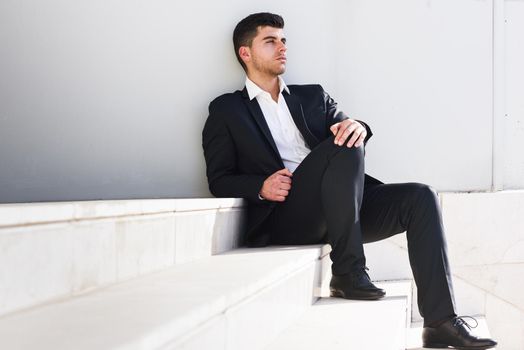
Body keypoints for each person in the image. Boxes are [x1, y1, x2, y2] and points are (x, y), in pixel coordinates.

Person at [202, 12, 497, 349]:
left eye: (284, 40)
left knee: (420, 196)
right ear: (246, 53)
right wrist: (260, 186)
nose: (282, 47)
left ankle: (440, 322)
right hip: (289, 216)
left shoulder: (312, 96)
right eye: (270, 41)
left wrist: (360, 125)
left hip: (343, 208)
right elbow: (219, 179)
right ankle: (347, 270)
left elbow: (348, 132)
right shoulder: (227, 110)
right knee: (341, 146)